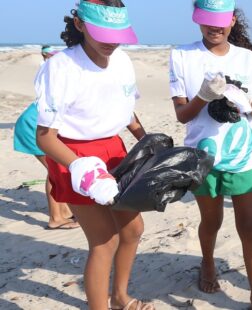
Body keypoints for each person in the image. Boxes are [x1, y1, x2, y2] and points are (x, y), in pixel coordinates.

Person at [35, 1, 152, 309]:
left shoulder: (123, 61)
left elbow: (126, 110)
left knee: (133, 229)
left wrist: (148, 141)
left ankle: (120, 295)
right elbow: (45, 137)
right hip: (73, 156)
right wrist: (82, 167)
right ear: (79, 24)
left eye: (117, 34)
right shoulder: (60, 67)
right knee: (104, 239)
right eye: (103, 33)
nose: (111, 41)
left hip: (115, 151)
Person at [168, 1, 252, 308]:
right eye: (208, 21)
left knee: (249, 225)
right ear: (197, 20)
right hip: (204, 155)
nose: (214, 27)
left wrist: (238, 98)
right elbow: (183, 116)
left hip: (243, 155)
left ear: (231, 21)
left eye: (221, 22)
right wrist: (204, 96)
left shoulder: (247, 59)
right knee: (211, 221)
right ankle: (208, 263)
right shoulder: (182, 56)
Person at [14, 46, 79, 230]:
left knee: (58, 169)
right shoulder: (56, 73)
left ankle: (64, 212)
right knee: (55, 170)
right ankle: (56, 218)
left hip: (39, 123)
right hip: (33, 125)